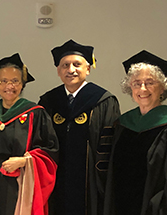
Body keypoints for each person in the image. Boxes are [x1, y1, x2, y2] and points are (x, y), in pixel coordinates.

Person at [103, 50, 167, 215]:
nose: (143, 88)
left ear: (163, 87)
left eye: (150, 82)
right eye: (136, 83)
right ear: (129, 88)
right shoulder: (122, 125)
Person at [38, 39, 120, 215]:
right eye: (65, 65)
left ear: (88, 69)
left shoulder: (103, 101)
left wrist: (101, 181)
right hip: (56, 179)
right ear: (58, 71)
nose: (71, 70)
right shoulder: (49, 101)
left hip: (90, 182)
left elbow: (109, 147)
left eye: (77, 64)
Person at [0, 53, 58, 215]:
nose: (10, 86)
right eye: (3, 81)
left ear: (22, 84)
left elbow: (51, 150)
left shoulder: (35, 113)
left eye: (15, 81)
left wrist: (25, 161)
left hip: (21, 180)